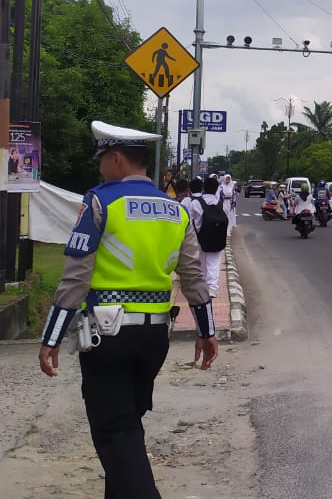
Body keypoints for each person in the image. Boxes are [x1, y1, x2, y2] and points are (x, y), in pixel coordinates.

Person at [38, 121, 217, 499]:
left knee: (115, 433)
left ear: (116, 158)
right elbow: (193, 277)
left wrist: (51, 337)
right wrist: (207, 331)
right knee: (126, 432)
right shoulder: (176, 210)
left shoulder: (101, 202)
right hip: (154, 339)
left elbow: (75, 278)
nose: (100, 166)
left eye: (102, 158)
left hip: (109, 339)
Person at [186, 178, 224, 298]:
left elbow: (190, 222)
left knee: (200, 262)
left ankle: (202, 287)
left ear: (204, 188)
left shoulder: (195, 203)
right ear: (216, 189)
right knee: (214, 262)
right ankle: (212, 288)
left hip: (200, 237)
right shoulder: (219, 202)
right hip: (217, 237)